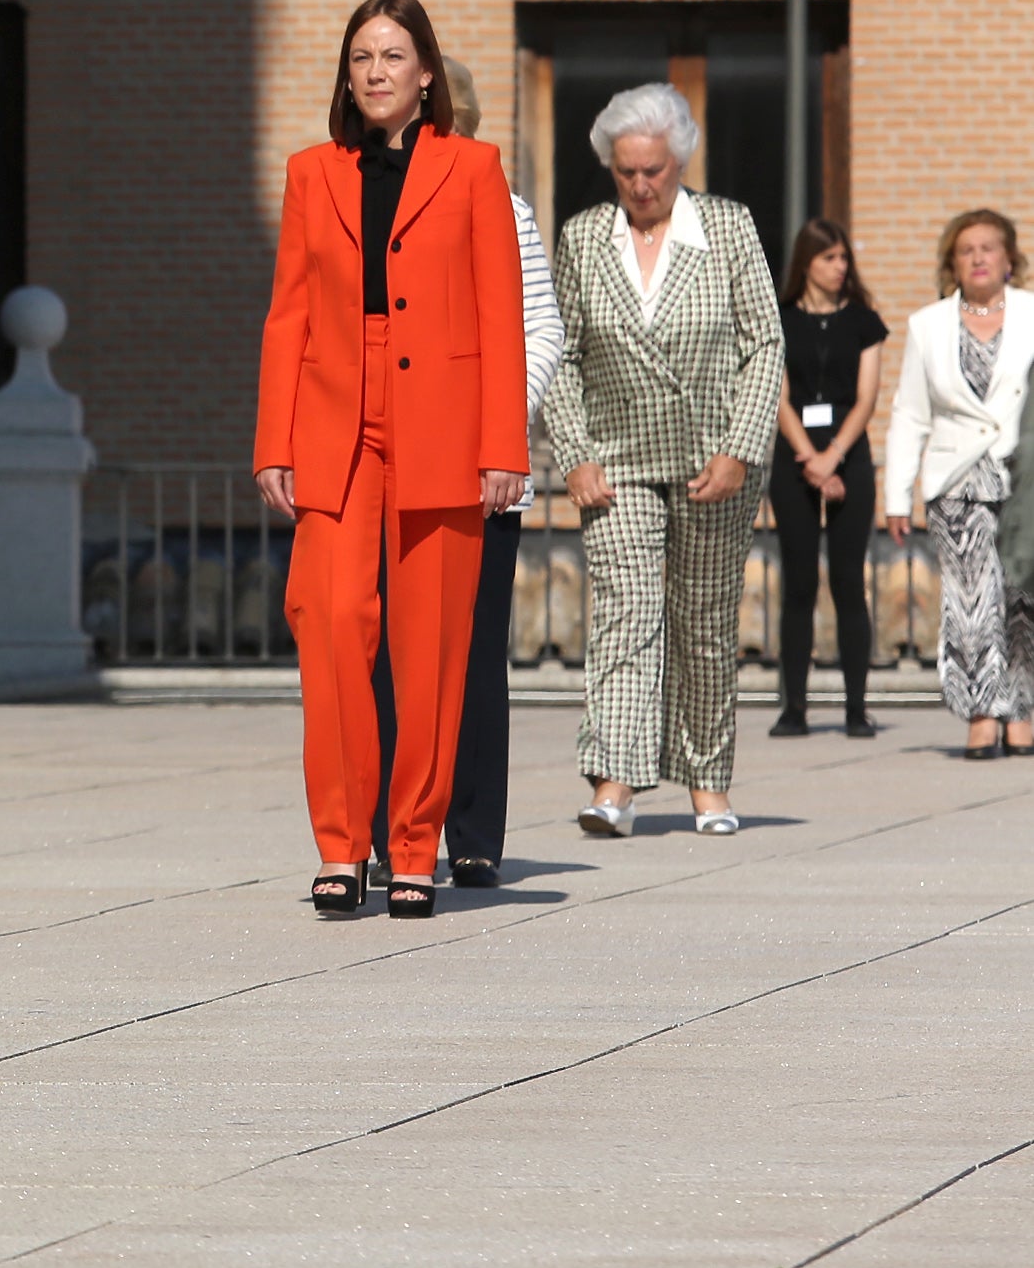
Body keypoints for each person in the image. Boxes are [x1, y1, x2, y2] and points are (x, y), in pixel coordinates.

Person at [255, 0, 529, 917]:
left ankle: (414, 847)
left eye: (393, 55)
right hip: (336, 419)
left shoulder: (474, 168)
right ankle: (343, 844)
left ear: (426, 74)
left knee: (433, 647)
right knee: (330, 625)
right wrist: (274, 441)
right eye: (361, 55)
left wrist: (502, 446)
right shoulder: (309, 175)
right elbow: (287, 315)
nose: (375, 70)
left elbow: (501, 318)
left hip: (442, 421)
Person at [550, 83, 782, 837]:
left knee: (705, 622)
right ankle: (614, 784)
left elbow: (765, 344)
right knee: (624, 614)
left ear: (680, 161)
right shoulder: (584, 237)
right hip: (616, 461)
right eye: (626, 172)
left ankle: (708, 782)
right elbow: (561, 356)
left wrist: (741, 449)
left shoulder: (728, 226)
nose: (642, 186)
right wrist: (574, 454)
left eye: (654, 170)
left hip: (714, 458)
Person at [368, 59, 566, 894]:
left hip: (479, 474)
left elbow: (540, 335)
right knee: (384, 654)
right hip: (386, 470)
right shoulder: (364, 197)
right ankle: (384, 832)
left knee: (476, 655)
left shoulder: (505, 211)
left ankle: (474, 832)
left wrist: (490, 437)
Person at [882, 210, 1034, 759]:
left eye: (988, 248)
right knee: (970, 601)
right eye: (966, 250)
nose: (978, 258)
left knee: (1021, 596)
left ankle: (1020, 710)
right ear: (952, 262)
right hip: (957, 479)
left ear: (1009, 258)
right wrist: (897, 494)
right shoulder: (928, 325)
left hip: (1023, 478)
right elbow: (910, 413)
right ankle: (979, 712)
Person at [773, 219, 888, 740]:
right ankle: (794, 707)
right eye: (829, 259)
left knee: (847, 581)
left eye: (844, 258)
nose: (840, 267)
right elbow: (778, 397)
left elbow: (866, 399)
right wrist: (810, 460)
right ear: (807, 264)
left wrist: (834, 456)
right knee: (798, 582)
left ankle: (856, 708)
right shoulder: (780, 320)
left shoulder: (865, 322)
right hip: (794, 460)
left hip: (850, 457)